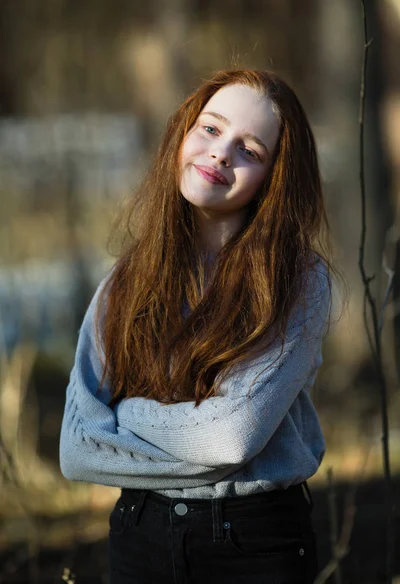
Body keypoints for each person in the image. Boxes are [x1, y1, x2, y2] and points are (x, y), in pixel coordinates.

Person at [60, 68, 338, 584]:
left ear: (275, 178)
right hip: (138, 533)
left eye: (249, 150)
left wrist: (125, 416)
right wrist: (198, 431)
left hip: (251, 543)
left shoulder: (298, 280)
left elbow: (232, 437)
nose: (220, 153)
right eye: (210, 129)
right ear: (183, 132)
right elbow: (77, 451)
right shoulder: (126, 281)